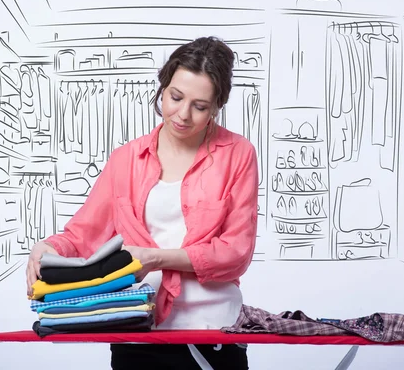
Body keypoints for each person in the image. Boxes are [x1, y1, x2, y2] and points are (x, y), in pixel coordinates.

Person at [26, 36, 259, 369]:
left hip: (213, 331)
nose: (183, 114)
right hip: (137, 329)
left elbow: (235, 253)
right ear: (162, 88)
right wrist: (46, 247)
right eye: (175, 97)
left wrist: (154, 257)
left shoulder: (237, 154)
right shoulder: (126, 159)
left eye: (200, 106)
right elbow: (83, 235)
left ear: (217, 107)